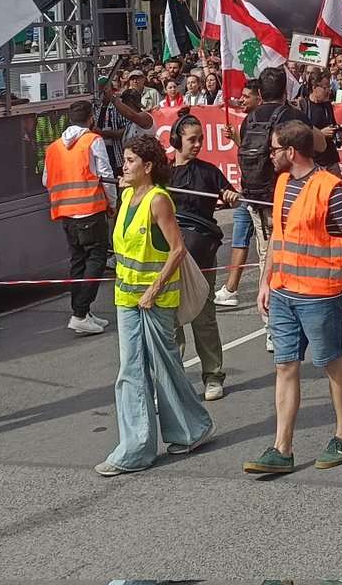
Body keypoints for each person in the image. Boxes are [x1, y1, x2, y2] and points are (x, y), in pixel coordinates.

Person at [244, 121, 342, 477]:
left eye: (273, 150)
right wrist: (265, 282)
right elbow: (278, 237)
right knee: (285, 366)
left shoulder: (329, 188)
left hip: (318, 295)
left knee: (330, 362)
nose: (269, 156)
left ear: (291, 151)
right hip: (283, 290)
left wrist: (327, 257)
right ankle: (282, 448)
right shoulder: (283, 183)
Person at [97, 133, 214, 474]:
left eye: (130, 161)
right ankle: (136, 448)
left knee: (164, 366)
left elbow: (177, 250)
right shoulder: (127, 195)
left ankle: (191, 429)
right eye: (124, 160)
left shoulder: (158, 200)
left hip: (156, 299)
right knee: (130, 370)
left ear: (147, 166)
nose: (123, 166)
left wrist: (154, 289)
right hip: (126, 297)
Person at [216, 69, 312, 311]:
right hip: (291, 195)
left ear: (260, 93)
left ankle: (271, 316)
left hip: (257, 197)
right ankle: (288, 307)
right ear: (285, 90)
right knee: (297, 251)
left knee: (266, 255)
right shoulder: (294, 116)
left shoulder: (250, 119)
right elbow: (314, 150)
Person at [168, 116, 233, 400]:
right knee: (171, 321)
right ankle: (173, 381)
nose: (197, 145)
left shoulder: (209, 172)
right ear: (176, 140)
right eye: (191, 139)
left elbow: (230, 193)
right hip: (168, 256)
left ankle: (213, 376)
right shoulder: (162, 173)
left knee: (204, 317)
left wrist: (231, 195)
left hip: (201, 253)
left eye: (200, 139)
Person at [43, 104, 115, 336]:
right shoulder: (93, 140)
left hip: (66, 213)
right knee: (96, 260)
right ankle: (80, 314)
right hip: (91, 210)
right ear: (91, 119)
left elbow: (46, 179)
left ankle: (82, 312)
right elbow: (106, 175)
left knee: (78, 262)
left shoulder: (53, 147)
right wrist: (113, 203)